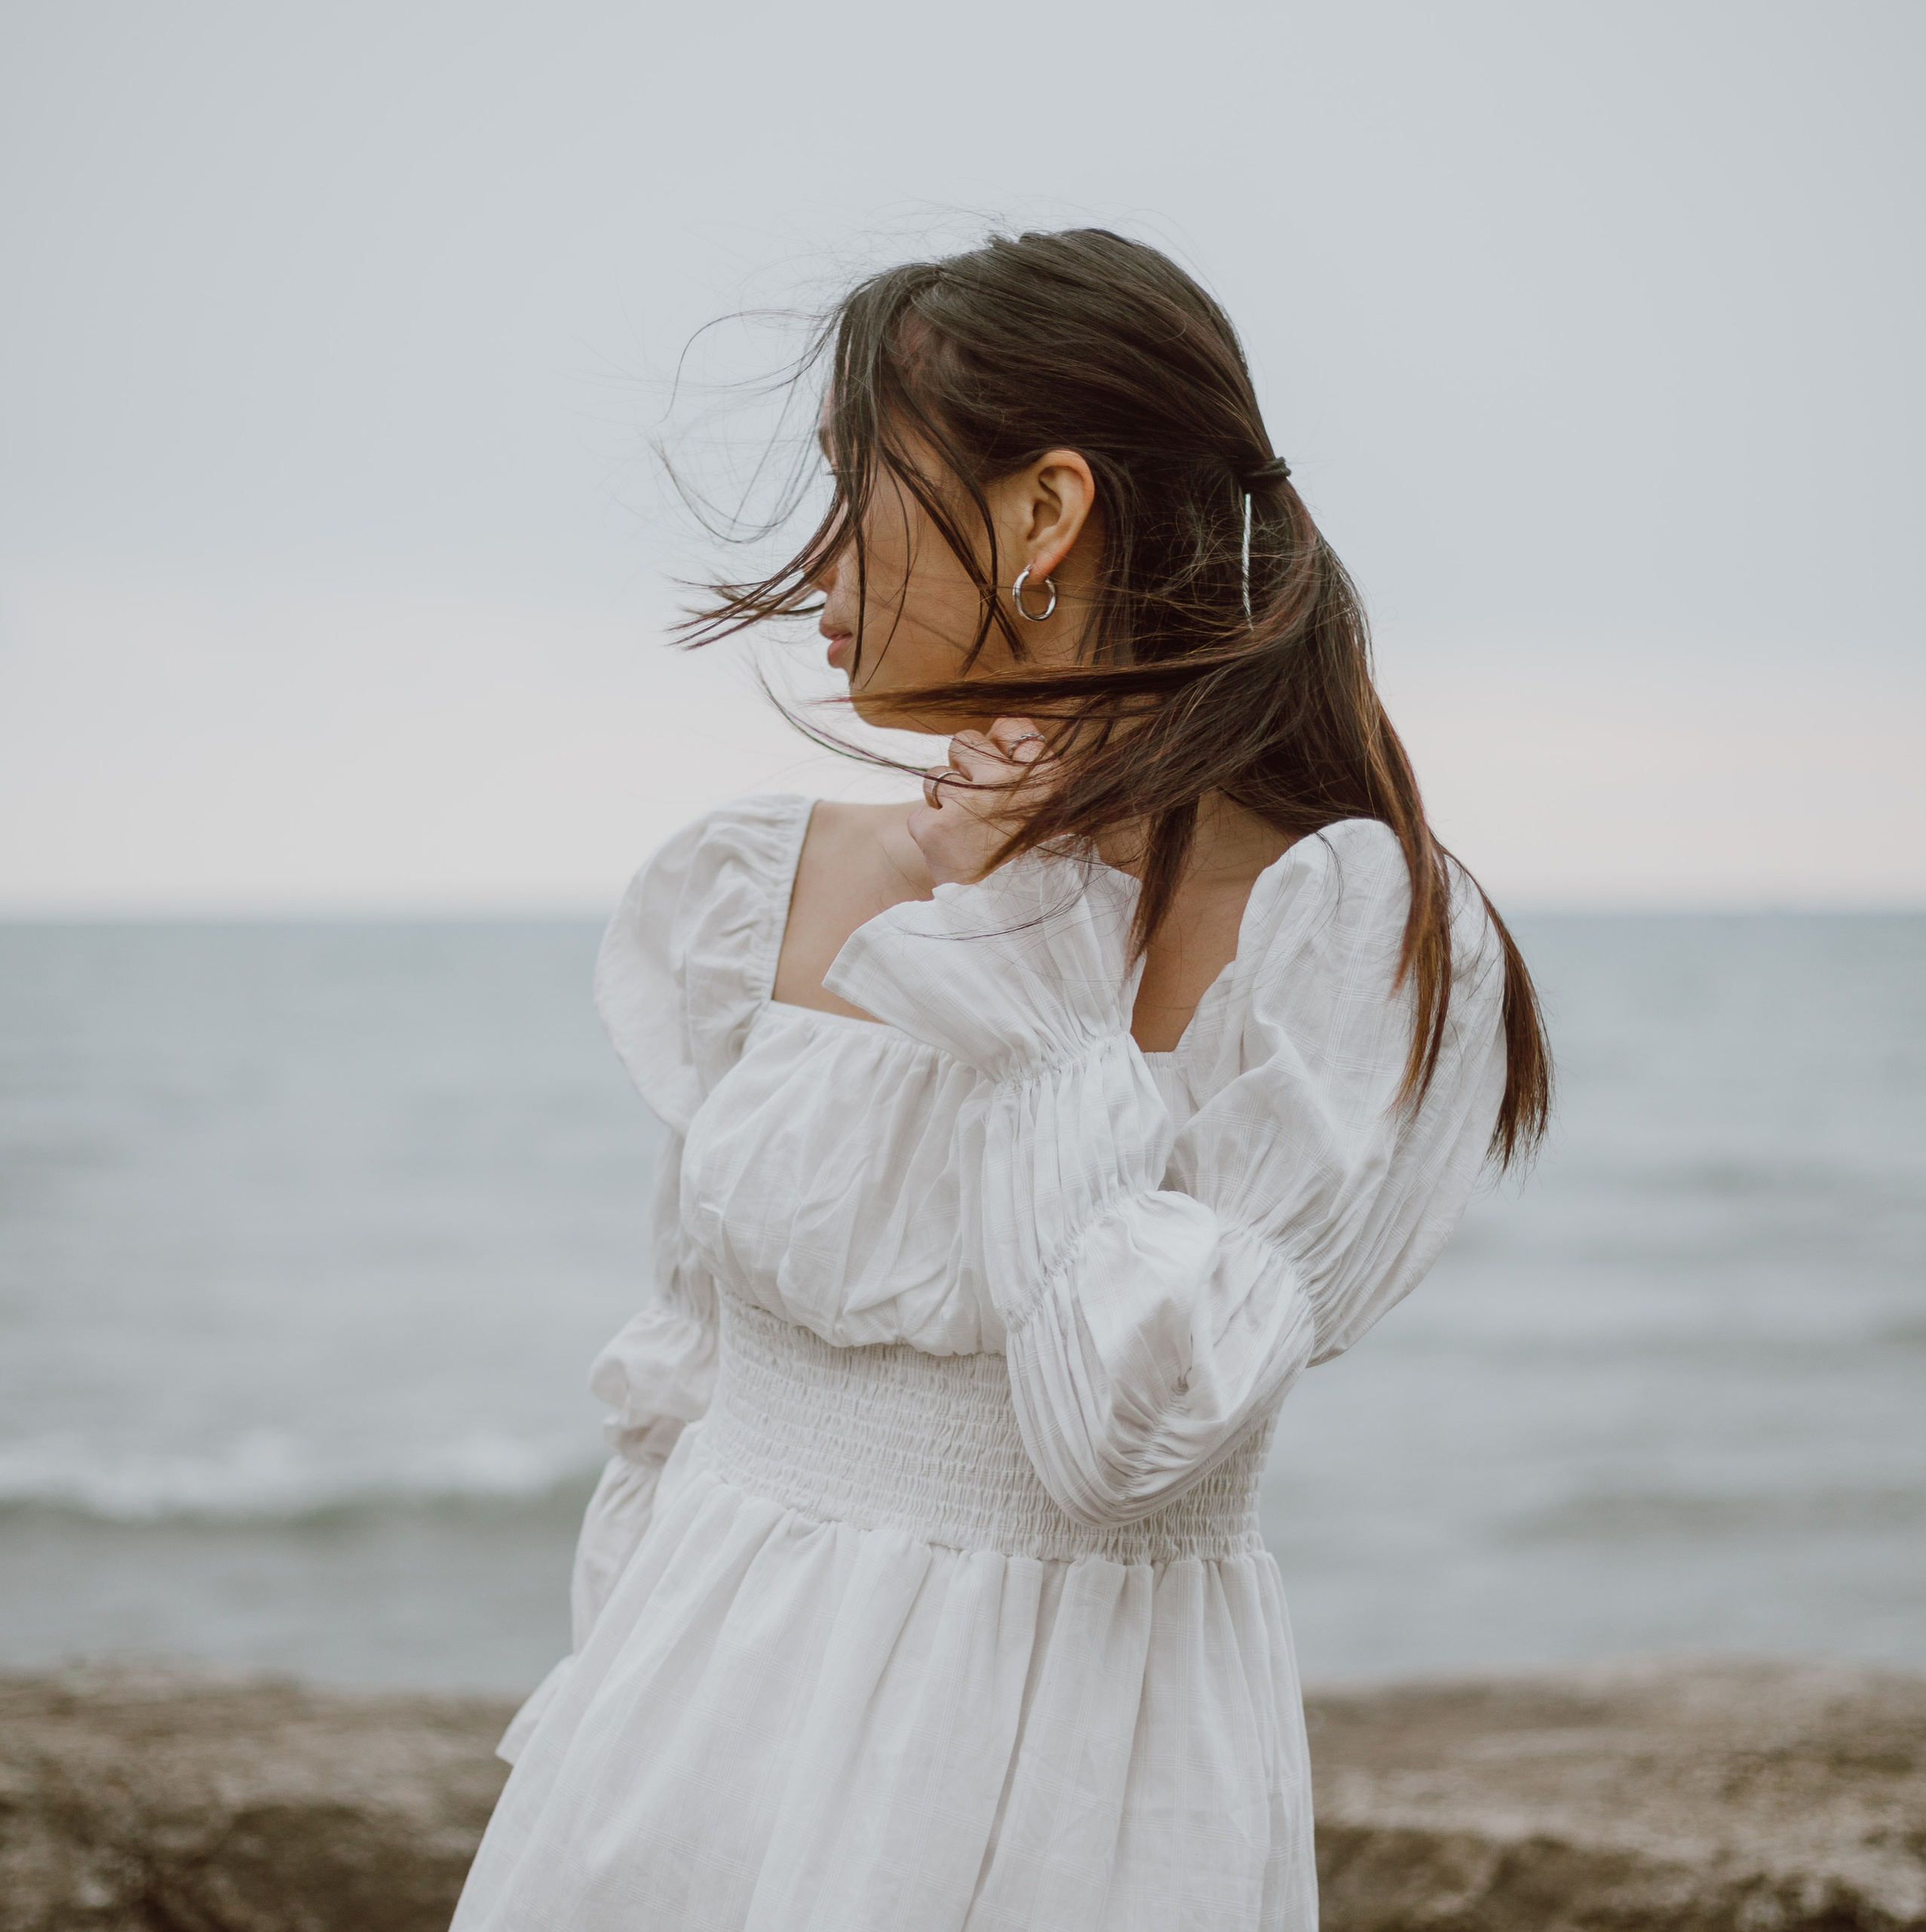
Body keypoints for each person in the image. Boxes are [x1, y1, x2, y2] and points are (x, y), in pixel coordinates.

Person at [451, 227, 1549, 1932]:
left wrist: (1034, 996)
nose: (814, 565)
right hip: (678, 1763)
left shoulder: (1346, 930)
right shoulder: (755, 890)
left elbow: (1126, 1442)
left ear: (1041, 516)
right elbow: (681, 1399)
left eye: (850, 486)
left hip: (1071, 1807)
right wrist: (603, 1726)